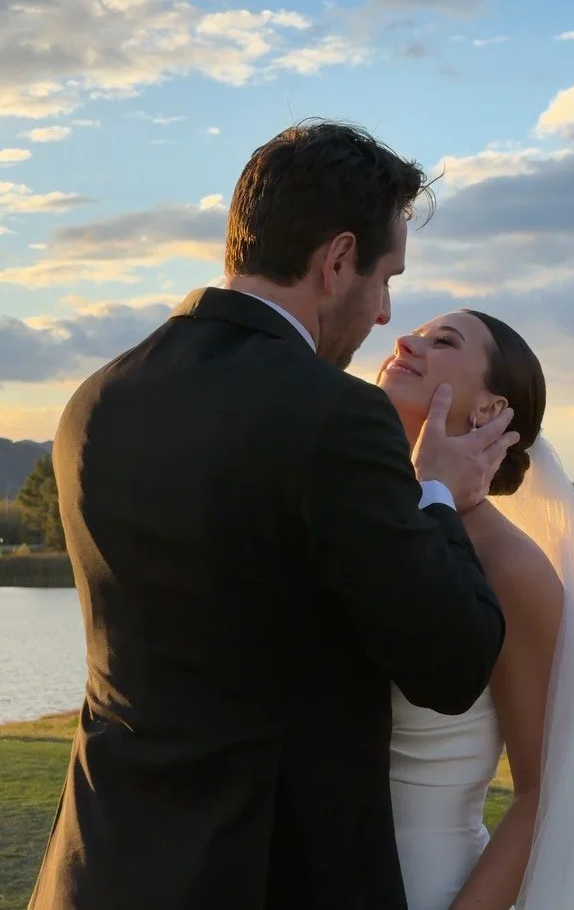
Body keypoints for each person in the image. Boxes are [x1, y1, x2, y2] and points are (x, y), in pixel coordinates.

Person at [29, 122, 517, 910]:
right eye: (385, 277)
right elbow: (451, 663)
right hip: (261, 878)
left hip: (97, 868)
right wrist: (436, 494)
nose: (387, 312)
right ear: (335, 260)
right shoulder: (337, 417)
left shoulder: (96, 400)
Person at [379, 310, 574, 910]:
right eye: (417, 332)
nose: (406, 340)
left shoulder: (509, 568)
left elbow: (543, 792)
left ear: (490, 411)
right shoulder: (366, 524)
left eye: (442, 340)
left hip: (426, 886)